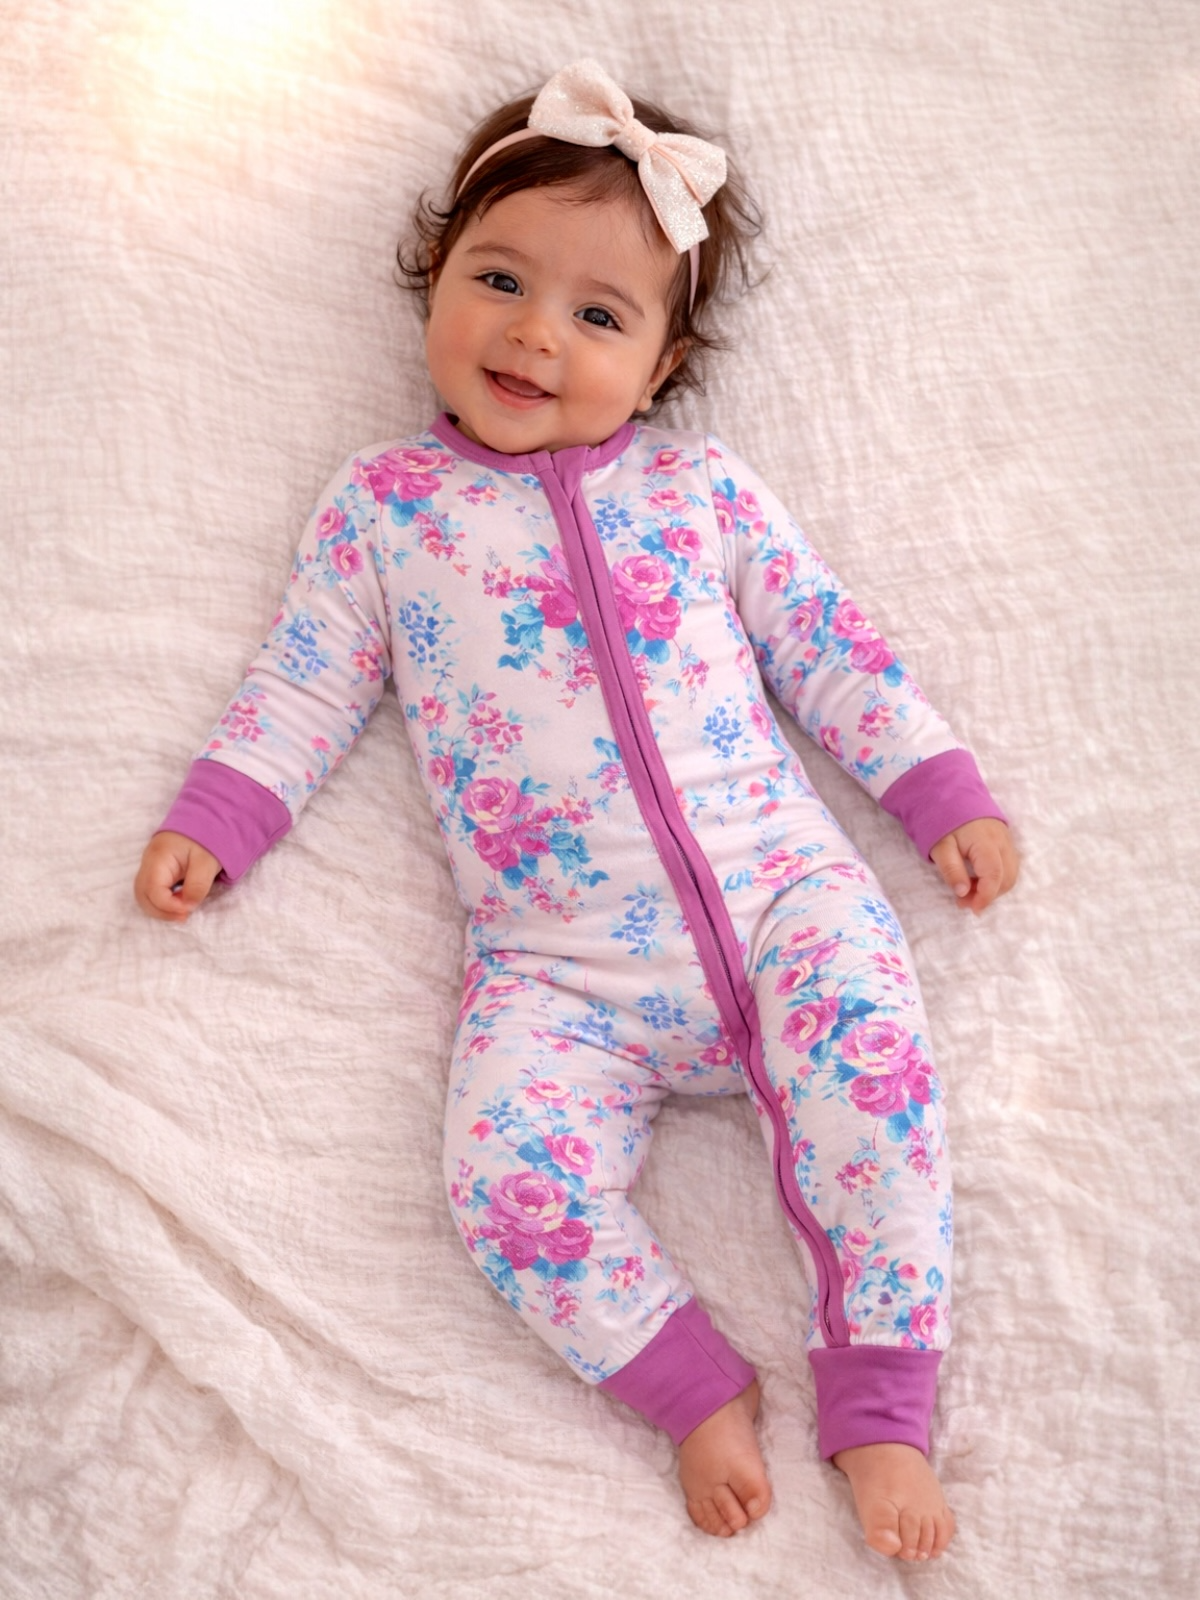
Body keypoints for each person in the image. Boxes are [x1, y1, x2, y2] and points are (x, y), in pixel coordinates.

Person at [134, 60, 1018, 1559]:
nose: (536, 332)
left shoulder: (702, 494)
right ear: (435, 283)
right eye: (499, 280)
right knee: (499, 1183)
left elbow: (827, 643)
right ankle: (690, 1386)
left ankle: (880, 1412)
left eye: (599, 316)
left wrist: (937, 785)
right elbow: (304, 682)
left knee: (885, 1116)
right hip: (560, 974)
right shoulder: (385, 512)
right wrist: (217, 818)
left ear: (664, 369)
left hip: (786, 902)